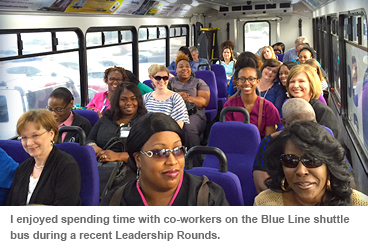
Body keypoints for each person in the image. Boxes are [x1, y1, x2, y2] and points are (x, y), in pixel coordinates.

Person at [100, 112, 229, 206]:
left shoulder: (208, 197)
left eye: (178, 150)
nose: (172, 161)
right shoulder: (115, 202)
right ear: (138, 159)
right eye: (159, 152)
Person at [254, 120, 368, 206]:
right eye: (290, 160)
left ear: (329, 166)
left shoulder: (359, 205)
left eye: (312, 161)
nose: (301, 171)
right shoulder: (265, 203)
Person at [7, 109, 81, 206]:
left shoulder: (67, 166)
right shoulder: (22, 168)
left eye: (35, 136)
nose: (29, 143)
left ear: (51, 134)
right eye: (24, 138)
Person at [253, 98, 316, 194]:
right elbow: (261, 184)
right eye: (300, 126)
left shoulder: (324, 139)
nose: (306, 130)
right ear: (284, 124)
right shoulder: (270, 143)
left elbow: (342, 173)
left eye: (312, 123)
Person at [86, 82, 147, 163]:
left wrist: (118, 156)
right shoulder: (106, 118)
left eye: (133, 99)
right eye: (123, 99)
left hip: (131, 168)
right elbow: (90, 139)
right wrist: (93, 146)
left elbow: (147, 153)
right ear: (117, 101)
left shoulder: (145, 122)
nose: (129, 103)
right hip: (102, 164)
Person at [223, 58, 281, 138]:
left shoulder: (268, 107)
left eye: (251, 79)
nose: (246, 83)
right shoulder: (229, 106)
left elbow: (268, 142)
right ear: (237, 82)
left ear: (257, 81)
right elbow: (227, 136)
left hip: (259, 149)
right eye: (242, 79)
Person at [286, 64, 341, 142]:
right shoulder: (289, 107)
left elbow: (330, 145)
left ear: (311, 85)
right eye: (292, 81)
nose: (295, 85)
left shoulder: (323, 111)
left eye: (301, 81)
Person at [168, 54, 210, 155]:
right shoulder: (169, 83)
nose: (184, 69)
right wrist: (177, 95)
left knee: (188, 128)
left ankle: (195, 160)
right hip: (173, 113)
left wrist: (187, 98)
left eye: (187, 66)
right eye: (181, 67)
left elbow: (204, 102)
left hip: (194, 113)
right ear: (176, 70)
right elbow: (162, 95)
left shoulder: (198, 82)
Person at [144, 64, 189, 128]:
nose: (162, 81)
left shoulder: (176, 98)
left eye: (165, 78)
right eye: (158, 78)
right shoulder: (146, 98)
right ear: (151, 78)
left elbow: (178, 125)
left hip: (168, 135)